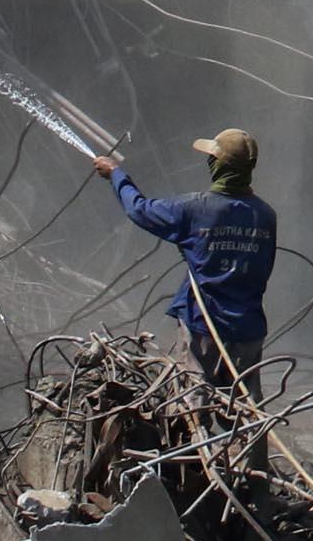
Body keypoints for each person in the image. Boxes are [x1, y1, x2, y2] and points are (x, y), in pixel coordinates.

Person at [92, 128, 278, 389]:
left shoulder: (194, 209)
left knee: (193, 404)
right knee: (243, 411)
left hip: (204, 326)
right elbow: (263, 270)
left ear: (217, 165)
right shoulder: (266, 215)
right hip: (249, 330)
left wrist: (115, 174)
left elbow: (139, 209)